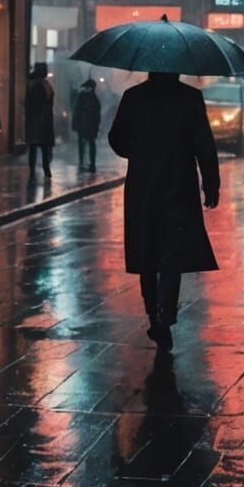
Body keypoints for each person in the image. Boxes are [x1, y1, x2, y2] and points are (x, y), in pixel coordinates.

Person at [108, 71, 220, 351]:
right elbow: (204, 145)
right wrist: (211, 184)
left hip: (143, 185)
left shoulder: (133, 97)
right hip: (178, 184)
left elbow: (117, 139)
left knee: (146, 251)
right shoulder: (189, 98)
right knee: (172, 253)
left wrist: (139, 149)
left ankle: (153, 314)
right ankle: (165, 315)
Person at [25, 62, 56, 181]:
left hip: (42, 120)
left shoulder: (41, 84)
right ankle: (41, 170)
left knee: (39, 147)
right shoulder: (38, 85)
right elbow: (37, 104)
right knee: (40, 146)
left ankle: (41, 170)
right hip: (39, 121)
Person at [73, 78, 102, 172]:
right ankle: (90, 163)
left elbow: (76, 112)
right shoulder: (92, 98)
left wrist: (75, 125)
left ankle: (85, 163)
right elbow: (97, 114)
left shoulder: (84, 97)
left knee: (84, 145)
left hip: (85, 126)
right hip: (87, 126)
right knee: (89, 145)